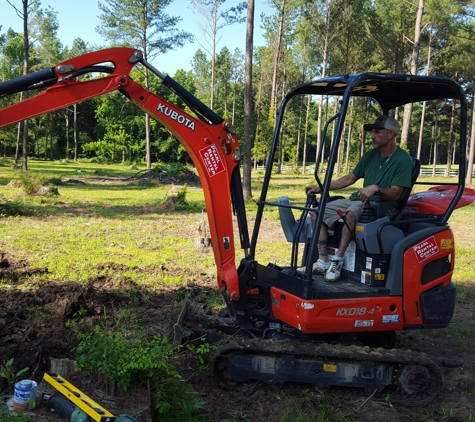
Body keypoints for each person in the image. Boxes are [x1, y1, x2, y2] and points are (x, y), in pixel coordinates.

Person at [298, 115, 413, 282]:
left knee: (351, 214)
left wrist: (377, 189)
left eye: (377, 132)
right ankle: (323, 261)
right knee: (316, 211)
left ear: (391, 134)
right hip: (357, 199)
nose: (373, 136)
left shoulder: (403, 160)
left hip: (378, 205)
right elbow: (350, 178)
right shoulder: (370, 155)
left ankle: (337, 260)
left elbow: (396, 193)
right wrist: (322, 188)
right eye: (372, 132)